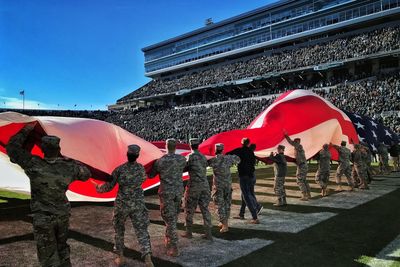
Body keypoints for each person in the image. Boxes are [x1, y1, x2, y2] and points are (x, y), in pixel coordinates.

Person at [6, 124, 91, 267]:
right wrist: (67, 160)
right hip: (62, 215)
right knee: (62, 249)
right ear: (58, 149)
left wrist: (26, 130)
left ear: (42, 149)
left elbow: (12, 149)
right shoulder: (69, 167)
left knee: (48, 255)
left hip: (43, 217)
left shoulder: (34, 164)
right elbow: (86, 174)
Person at [95, 145, 153, 267]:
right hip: (138, 203)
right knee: (142, 230)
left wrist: (98, 188)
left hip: (122, 204)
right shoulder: (141, 169)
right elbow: (143, 179)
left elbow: (109, 186)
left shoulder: (120, 170)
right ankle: (148, 259)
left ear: (127, 155)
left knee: (119, 230)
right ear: (137, 156)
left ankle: (120, 257)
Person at [149, 139, 186, 257]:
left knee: (169, 220)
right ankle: (168, 238)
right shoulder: (181, 159)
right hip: (178, 192)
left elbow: (151, 175)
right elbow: (185, 168)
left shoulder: (160, 161)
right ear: (175, 147)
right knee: (173, 217)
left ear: (166, 146)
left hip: (166, 193)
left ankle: (173, 246)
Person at [182, 138, 213, 241]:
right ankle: (208, 233)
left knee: (189, 209)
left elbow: (183, 169)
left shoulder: (190, 157)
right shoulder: (203, 157)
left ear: (190, 146)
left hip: (194, 186)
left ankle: (189, 232)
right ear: (198, 145)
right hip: (205, 186)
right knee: (205, 209)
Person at [208, 143, 240, 233]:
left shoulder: (213, 160)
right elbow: (238, 159)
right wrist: (229, 155)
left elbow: (206, 162)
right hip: (227, 185)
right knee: (227, 203)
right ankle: (224, 222)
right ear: (223, 150)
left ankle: (225, 225)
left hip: (218, 186)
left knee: (220, 205)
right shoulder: (228, 158)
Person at [228, 138, 260, 224]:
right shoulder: (251, 152)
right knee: (245, 194)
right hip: (251, 175)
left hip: (244, 175)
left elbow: (228, 153)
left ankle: (255, 216)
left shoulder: (240, 150)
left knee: (246, 195)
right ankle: (241, 214)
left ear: (242, 143)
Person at [284, 133, 311, 201]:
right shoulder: (299, 147)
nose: (294, 142)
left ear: (297, 142)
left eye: (295, 141)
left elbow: (291, 142)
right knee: (304, 180)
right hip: (303, 165)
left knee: (299, 180)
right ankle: (308, 194)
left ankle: (305, 195)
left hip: (302, 166)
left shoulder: (298, 146)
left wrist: (286, 135)